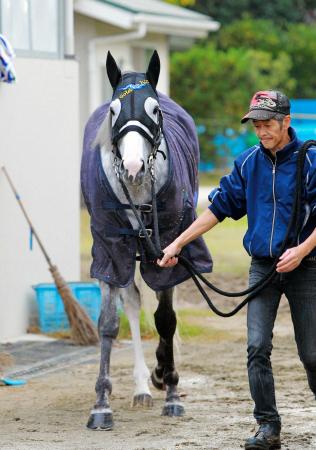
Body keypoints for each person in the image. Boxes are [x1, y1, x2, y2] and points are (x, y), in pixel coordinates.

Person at [158, 90, 316, 450]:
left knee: (313, 355)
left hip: (306, 266)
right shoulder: (248, 163)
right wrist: (178, 244)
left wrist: (302, 249)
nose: (262, 132)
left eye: (268, 125)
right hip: (263, 267)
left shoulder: (311, 161)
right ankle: (268, 426)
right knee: (256, 346)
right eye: (257, 126)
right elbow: (218, 209)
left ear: (287, 122)